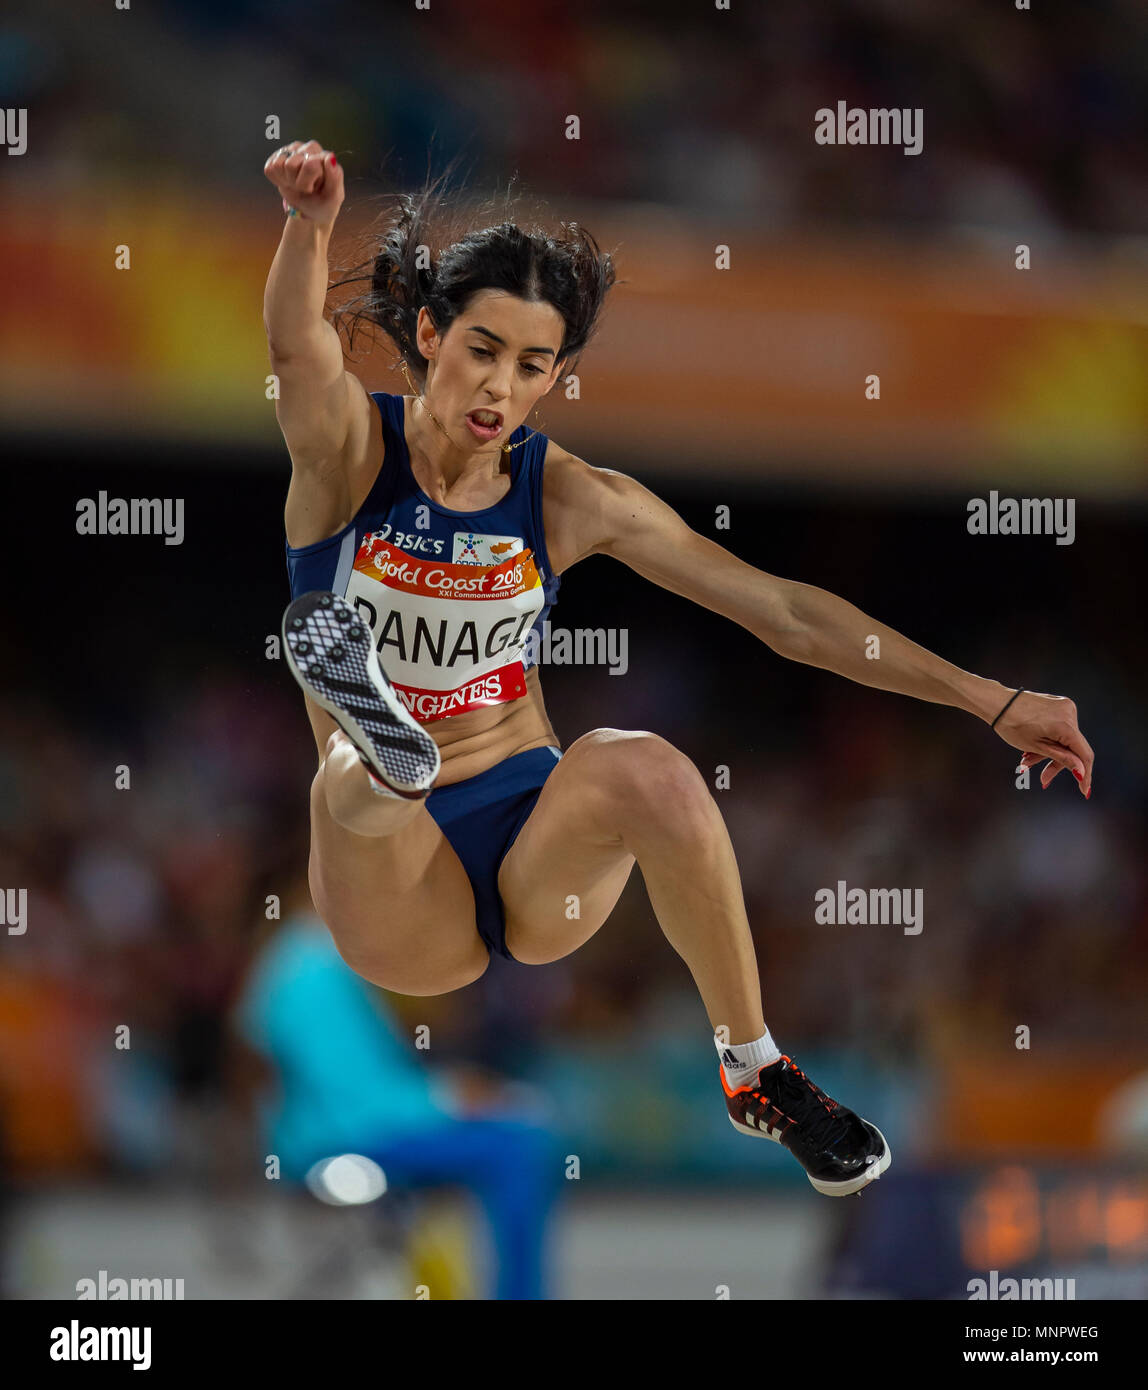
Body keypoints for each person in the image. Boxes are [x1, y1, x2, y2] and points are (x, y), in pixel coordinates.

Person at [262, 139, 1095, 1200]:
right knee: (358, 778)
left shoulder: (569, 496)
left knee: (644, 765)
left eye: (532, 366)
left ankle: (754, 1068)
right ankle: (376, 732)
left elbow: (783, 611)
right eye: (481, 350)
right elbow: (297, 354)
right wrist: (307, 224)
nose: (500, 388)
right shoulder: (347, 455)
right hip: (397, 897)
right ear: (427, 334)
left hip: (530, 847)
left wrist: (988, 698)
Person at [232, 862, 562, 1300]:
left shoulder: (297, 964)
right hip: (340, 1143)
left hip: (332, 1134)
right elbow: (353, 1100)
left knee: (512, 1135)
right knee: (520, 1144)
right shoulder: (309, 968)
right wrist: (451, 1098)